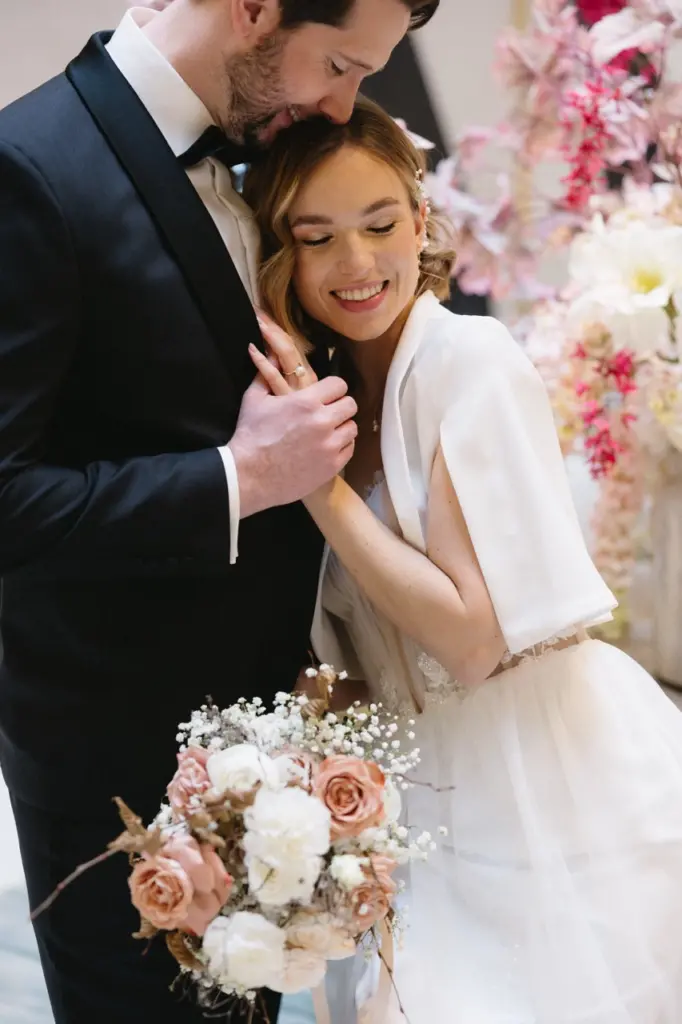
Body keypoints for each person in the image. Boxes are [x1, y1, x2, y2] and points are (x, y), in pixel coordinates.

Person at [0, 1, 439, 1021]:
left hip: (273, 746)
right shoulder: (28, 167)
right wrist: (236, 476)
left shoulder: (270, 146)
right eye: (336, 64)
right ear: (250, 12)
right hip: (121, 770)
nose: (346, 102)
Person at [243, 97, 682, 1023]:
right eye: (317, 238)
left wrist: (315, 485)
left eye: (380, 224)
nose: (357, 264)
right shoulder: (324, 395)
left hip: (537, 769)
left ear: (420, 220)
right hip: (413, 790)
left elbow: (472, 641)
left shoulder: (467, 360)